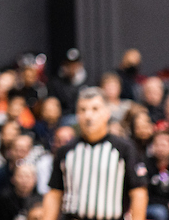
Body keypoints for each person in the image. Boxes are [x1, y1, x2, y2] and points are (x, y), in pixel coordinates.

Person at [42, 87, 148, 220]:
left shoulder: (124, 148)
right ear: (77, 115)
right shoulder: (66, 151)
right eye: (83, 110)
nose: (88, 115)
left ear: (107, 113)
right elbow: (54, 193)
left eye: (95, 109)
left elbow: (138, 192)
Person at [48, 50, 86, 120]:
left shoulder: (87, 81)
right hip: (62, 118)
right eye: (68, 65)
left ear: (80, 65)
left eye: (75, 65)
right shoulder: (56, 83)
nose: (72, 68)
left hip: (81, 116)